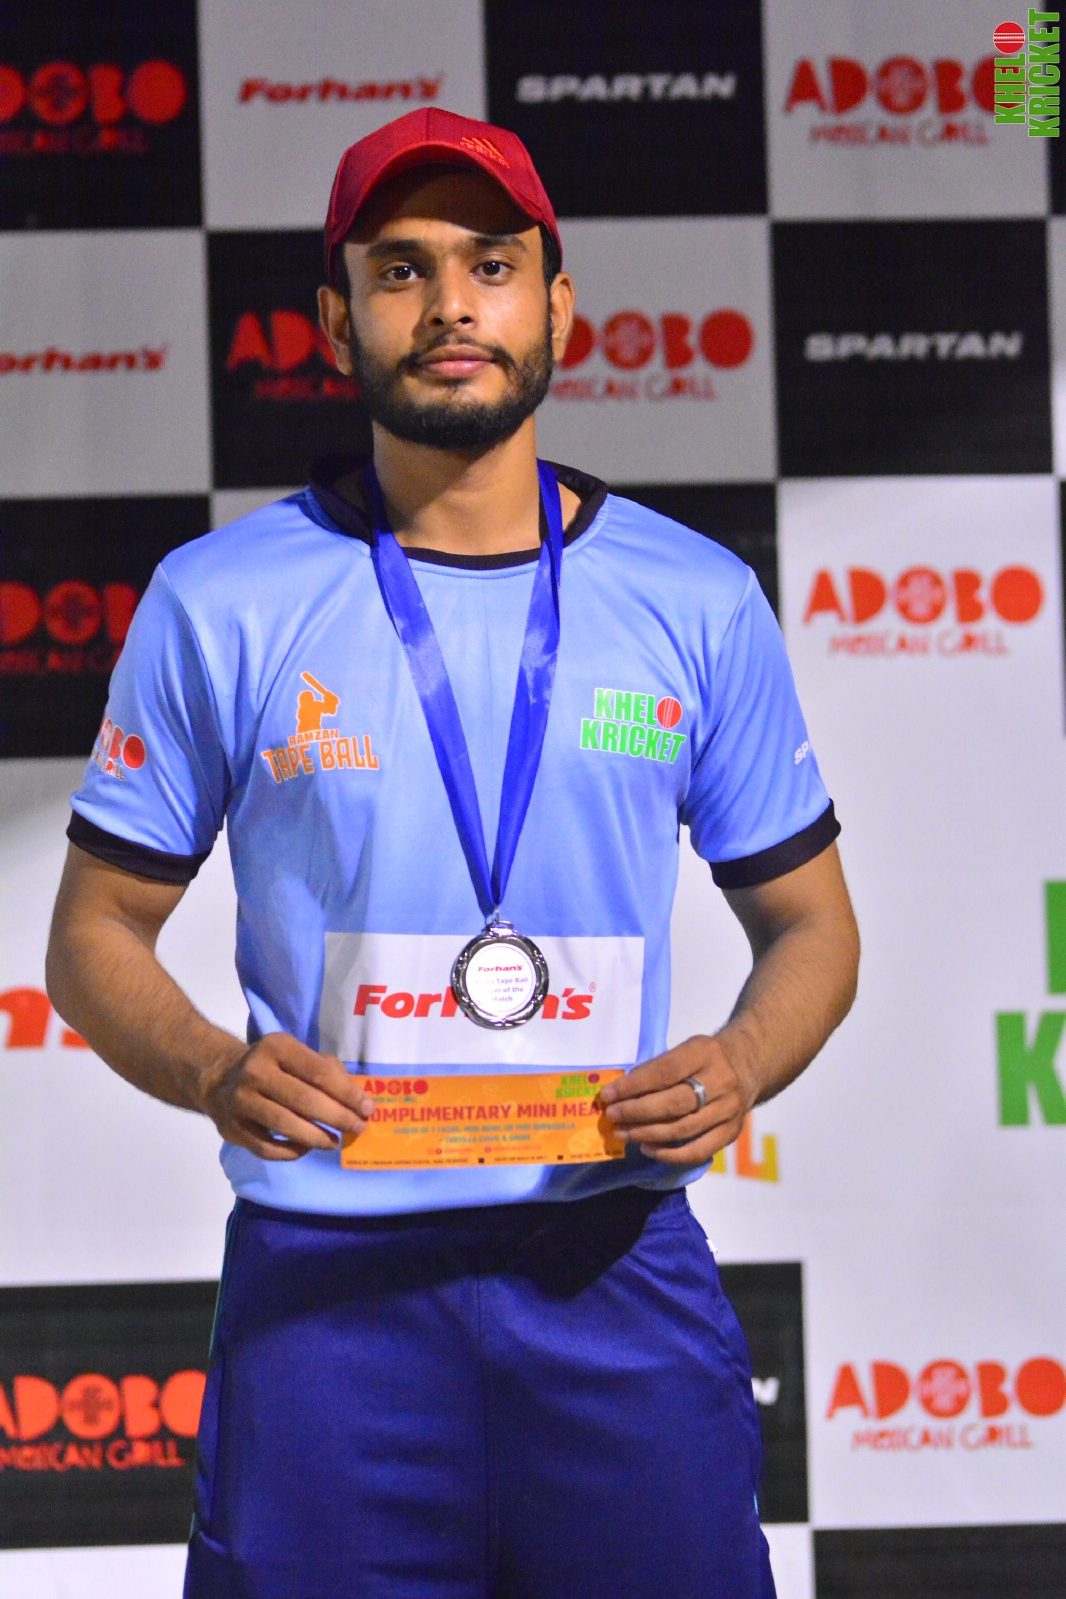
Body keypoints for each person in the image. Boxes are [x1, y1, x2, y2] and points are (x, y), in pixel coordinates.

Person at [46, 107, 859, 1599]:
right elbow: (92, 933)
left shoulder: (695, 598)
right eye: (401, 269)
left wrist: (739, 1067)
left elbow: (813, 928)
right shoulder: (219, 599)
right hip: (329, 1300)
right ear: (334, 321)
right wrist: (215, 1070)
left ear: (558, 306)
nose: (449, 307)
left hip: (610, 1266)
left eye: (491, 265)